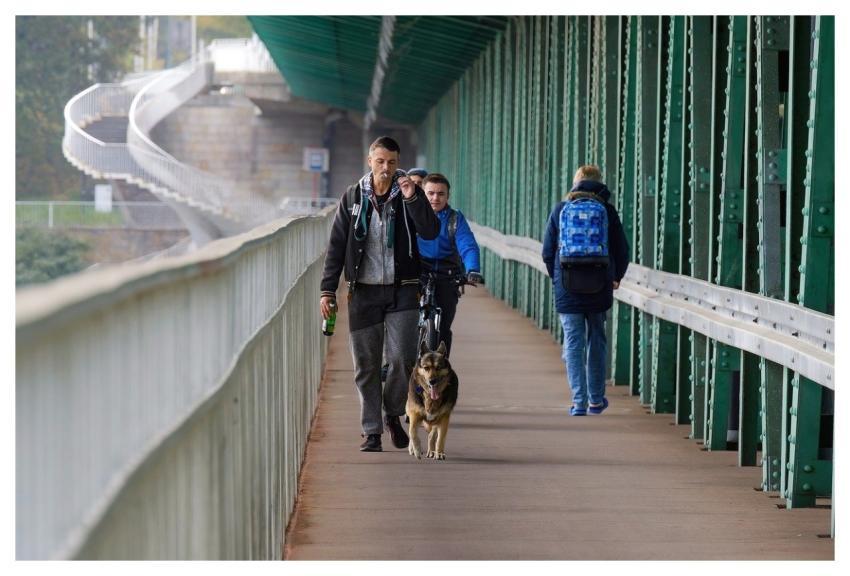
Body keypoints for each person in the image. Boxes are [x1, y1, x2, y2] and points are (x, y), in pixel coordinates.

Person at [320, 136, 440, 452]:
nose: (386, 168)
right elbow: (336, 246)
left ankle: (392, 411)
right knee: (367, 365)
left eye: (391, 162)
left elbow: (430, 231)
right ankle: (371, 431)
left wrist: (415, 198)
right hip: (363, 292)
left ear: (398, 163)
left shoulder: (407, 195)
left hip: (403, 289)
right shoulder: (352, 198)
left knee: (402, 359)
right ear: (369, 161)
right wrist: (327, 290)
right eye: (380, 161)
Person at [541, 165, 629, 416]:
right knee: (597, 341)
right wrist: (617, 276)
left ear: (575, 182)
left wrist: (557, 277)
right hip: (600, 284)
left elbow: (547, 252)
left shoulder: (560, 210)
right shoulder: (607, 211)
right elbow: (621, 250)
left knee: (573, 342)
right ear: (599, 183)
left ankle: (578, 402)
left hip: (567, 284)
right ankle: (596, 400)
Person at [416, 172, 483, 357]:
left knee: (444, 327)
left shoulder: (455, 219)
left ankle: (441, 367)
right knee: (403, 320)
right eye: (430, 193)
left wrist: (473, 269)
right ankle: (394, 362)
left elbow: (467, 245)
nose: (435, 198)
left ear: (448, 196)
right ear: (422, 193)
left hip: (448, 273)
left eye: (440, 193)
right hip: (418, 271)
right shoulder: (413, 215)